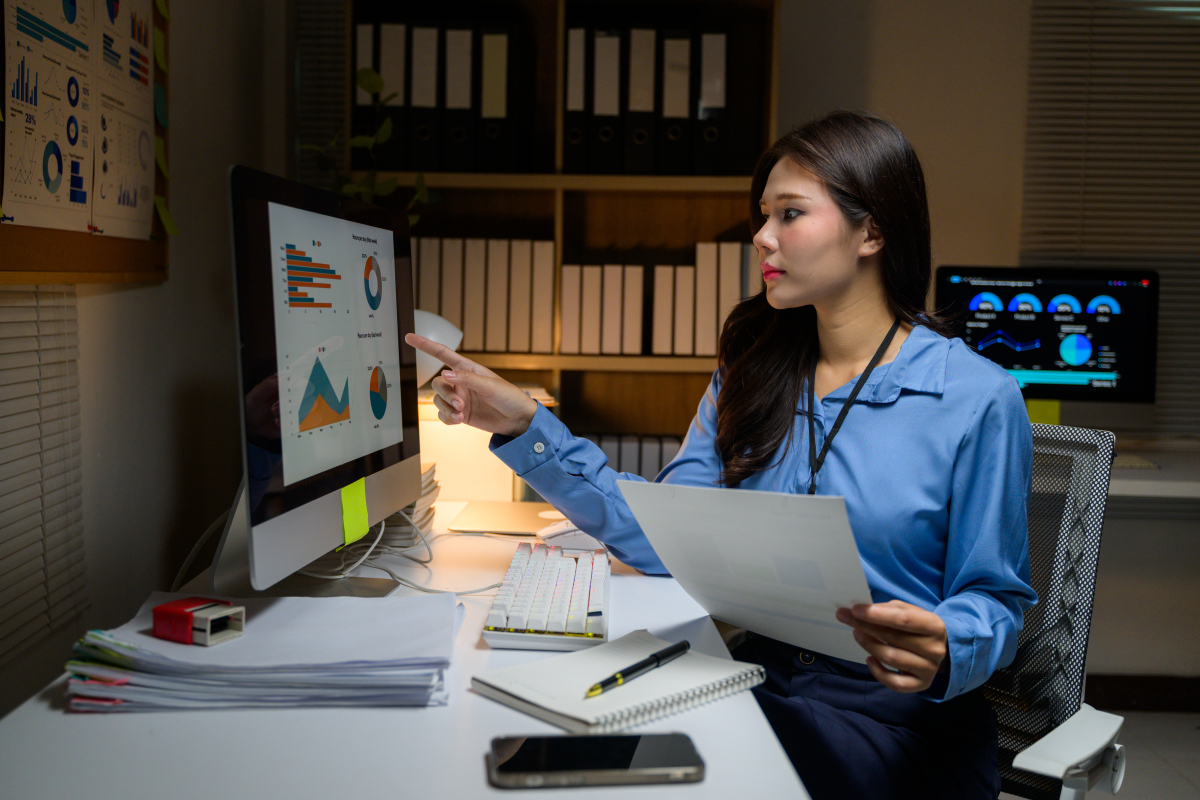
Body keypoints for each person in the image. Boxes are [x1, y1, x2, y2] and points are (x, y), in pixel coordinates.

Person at [406, 110, 1037, 800]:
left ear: (872, 232)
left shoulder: (976, 397)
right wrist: (529, 425)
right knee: (539, 734)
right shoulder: (752, 369)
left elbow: (995, 600)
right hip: (756, 680)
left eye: (790, 213)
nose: (761, 237)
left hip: (899, 723)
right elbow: (663, 537)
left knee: (620, 766)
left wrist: (948, 640)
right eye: (763, 216)